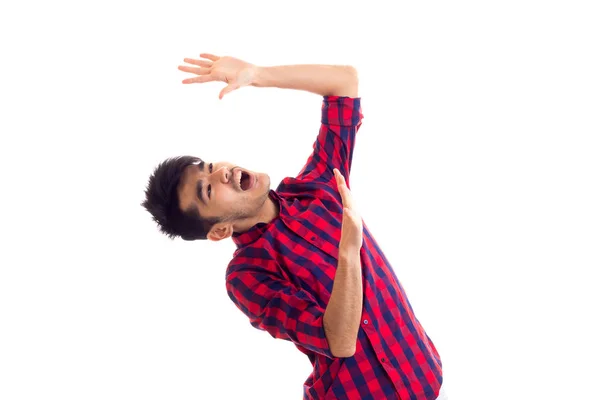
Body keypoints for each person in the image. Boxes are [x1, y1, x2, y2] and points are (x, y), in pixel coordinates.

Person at [141, 53, 446, 400]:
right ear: (219, 231)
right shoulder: (246, 275)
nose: (221, 172)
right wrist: (348, 252)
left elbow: (344, 83)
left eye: (210, 165)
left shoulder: (317, 186)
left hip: (423, 375)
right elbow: (339, 340)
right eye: (209, 189)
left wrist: (256, 74)